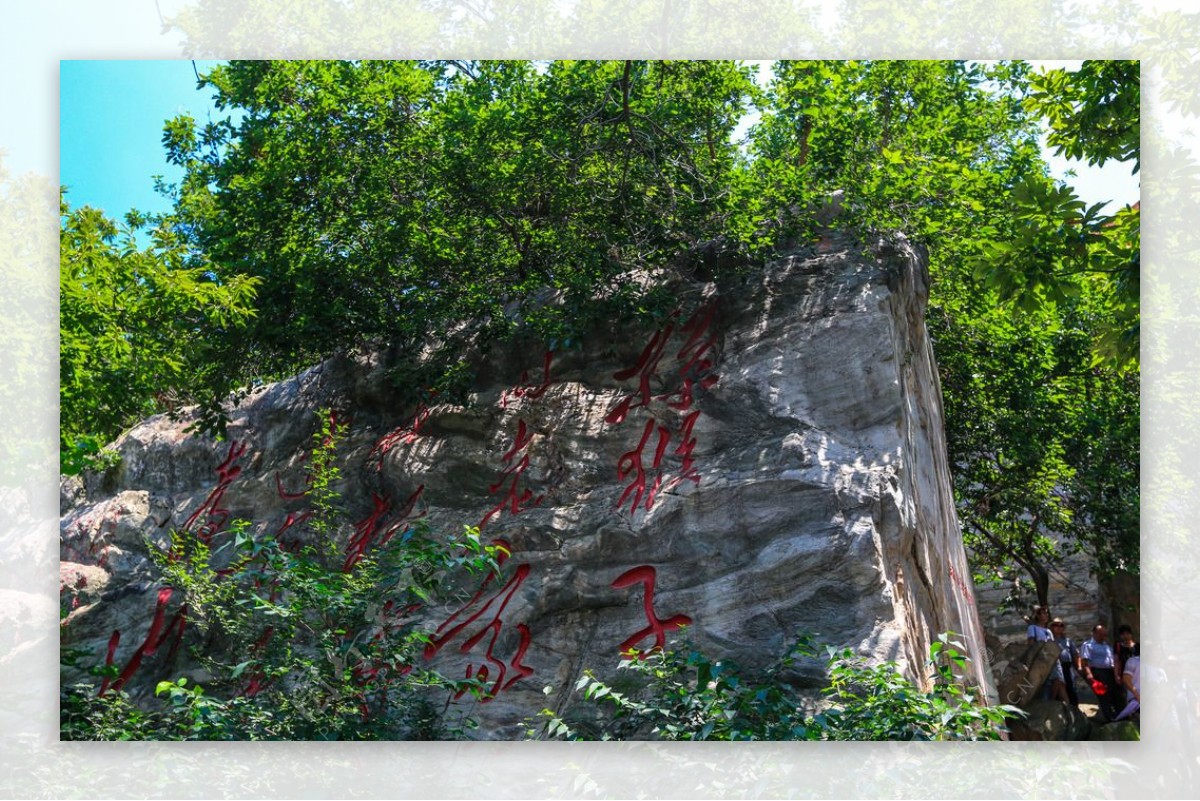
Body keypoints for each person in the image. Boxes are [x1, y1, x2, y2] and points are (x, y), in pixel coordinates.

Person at [1080, 624, 1124, 721]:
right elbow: (1084, 662)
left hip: (1110, 672)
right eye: (1101, 634)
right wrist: (1089, 675)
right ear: (1094, 633)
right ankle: (1109, 717)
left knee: (1115, 693)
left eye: (1105, 635)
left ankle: (1120, 715)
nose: (1103, 637)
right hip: (1098, 672)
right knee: (1104, 695)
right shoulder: (1088, 645)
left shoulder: (1107, 646)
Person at [1026, 606, 1068, 703]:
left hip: (1053, 658)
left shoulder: (1048, 631)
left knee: (1059, 680)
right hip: (1042, 658)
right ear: (1037, 615)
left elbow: (1052, 645)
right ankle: (1050, 702)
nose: (1046, 615)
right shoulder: (1032, 628)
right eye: (1043, 613)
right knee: (1046, 683)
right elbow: (1031, 644)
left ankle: (1064, 704)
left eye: (1046, 613)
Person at [1051, 618, 1080, 706]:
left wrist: (1078, 667)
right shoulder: (1050, 640)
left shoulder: (1068, 641)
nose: (1058, 627)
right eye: (1056, 625)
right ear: (1052, 627)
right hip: (1056, 667)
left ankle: (1075, 709)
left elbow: (1075, 654)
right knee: (1059, 689)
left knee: (1071, 687)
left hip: (1067, 666)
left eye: (1061, 625)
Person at [1114, 653, 1140, 723]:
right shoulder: (1134, 661)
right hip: (1136, 702)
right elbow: (1126, 679)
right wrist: (1138, 697)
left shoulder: (1160, 667)